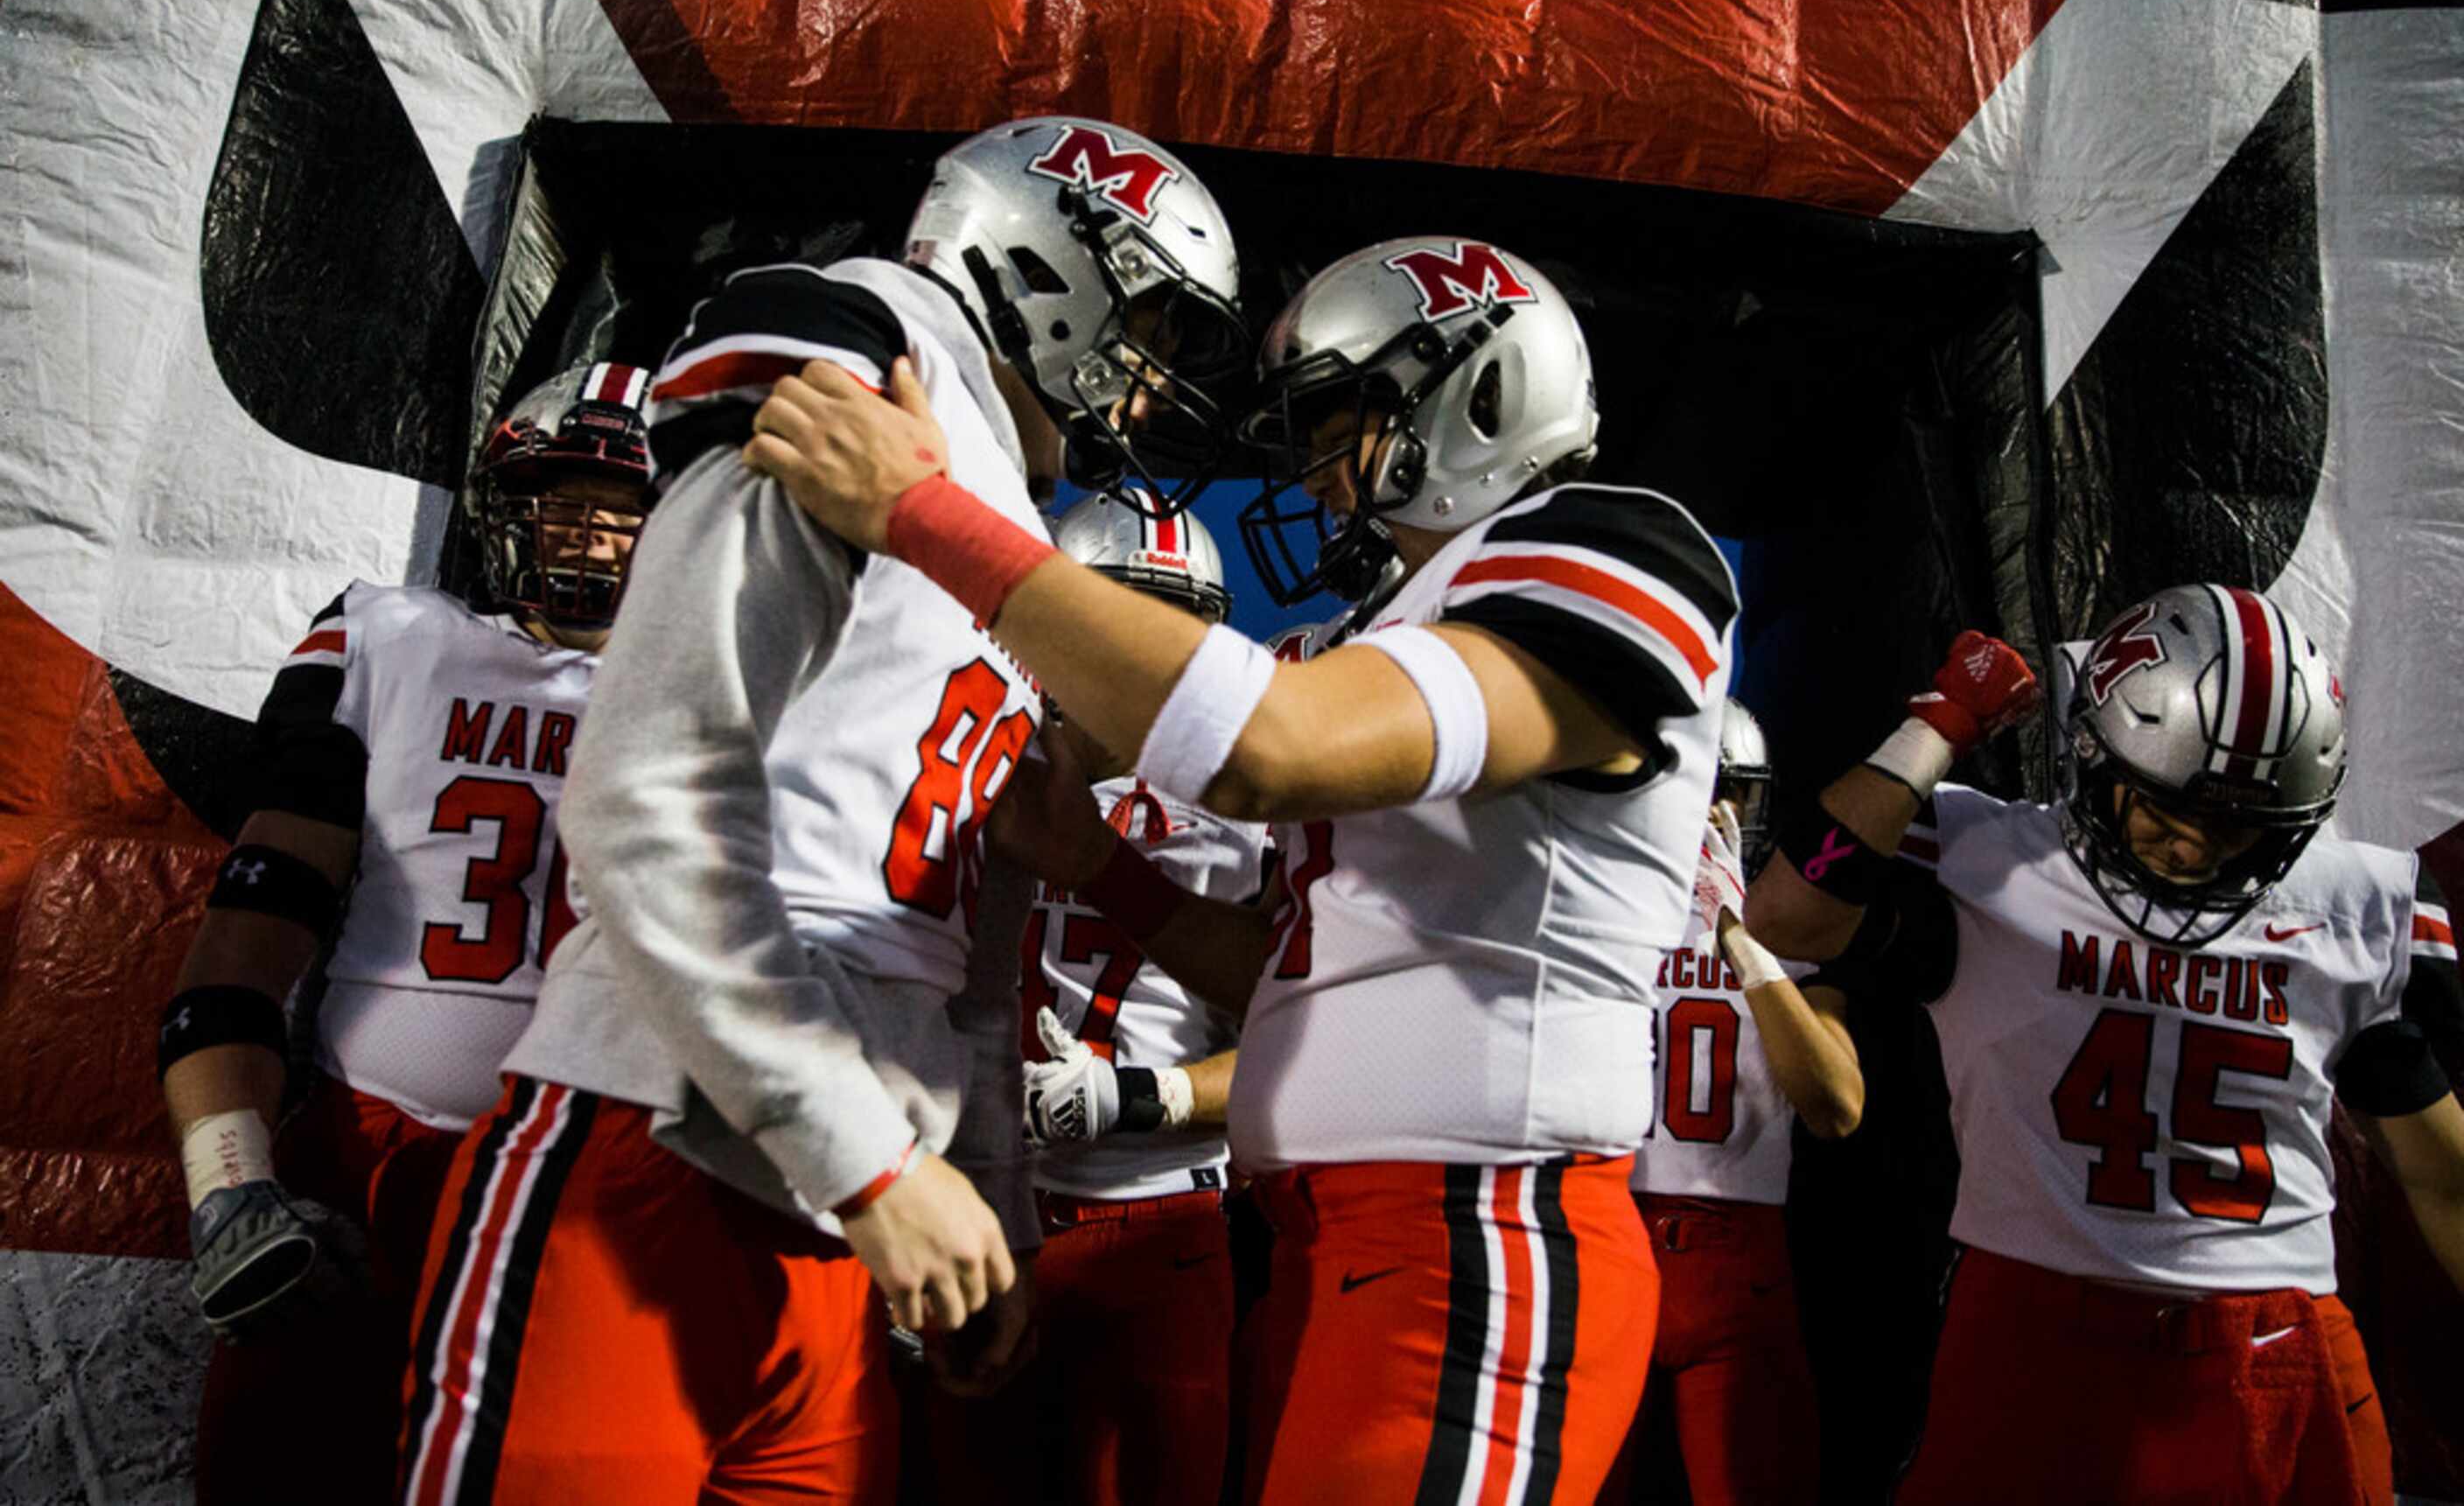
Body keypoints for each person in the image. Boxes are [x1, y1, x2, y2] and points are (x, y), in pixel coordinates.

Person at [742, 236, 1740, 1502]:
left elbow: (1271, 746)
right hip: (1339, 1238)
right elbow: (1286, 976)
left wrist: (932, 518)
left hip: (1482, 1225)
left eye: (1342, 420)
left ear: (1476, 393)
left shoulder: (1611, 543)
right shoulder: (1408, 615)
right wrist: (1101, 864)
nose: (1319, 477)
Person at [397, 117, 1247, 1505]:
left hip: (860, 1200)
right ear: (1045, 261)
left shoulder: (996, 516)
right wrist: (872, 1167)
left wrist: (980, 1198)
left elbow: (970, 947)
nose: (1149, 390)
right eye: (1146, 321)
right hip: (662, 1135)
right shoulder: (856, 363)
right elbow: (648, 786)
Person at [1744, 588, 2464, 1505]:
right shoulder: (1991, 864)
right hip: (2030, 1323)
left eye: (2237, 826)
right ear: (2090, 755)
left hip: (2271, 1342)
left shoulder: (2349, 910)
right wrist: (1938, 724)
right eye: (2163, 809)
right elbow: (1783, 914)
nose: (2193, 849)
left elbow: (2436, 1171)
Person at [156, 363, 654, 1504]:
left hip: (604, 1189)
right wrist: (231, 1183)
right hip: (370, 1159)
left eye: (624, 503)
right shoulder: (394, 640)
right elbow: (243, 947)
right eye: (560, 493)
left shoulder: (736, 701)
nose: (586, 527)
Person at [918, 491, 1264, 1506]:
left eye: (1172, 629)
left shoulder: (1248, 809)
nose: (1139, 656)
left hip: (1153, 1231)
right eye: (1117, 617)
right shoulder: (964, 763)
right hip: (966, 1215)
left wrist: (1137, 1098)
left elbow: (1303, 1047)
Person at [1612, 699, 1861, 1505]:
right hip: (1596, 1235)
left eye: (1733, 793)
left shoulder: (1788, 927)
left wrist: (1738, 934)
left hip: (1737, 1266)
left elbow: (1837, 1105)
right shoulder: (1583, 915)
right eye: (1690, 790)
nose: (1712, 815)